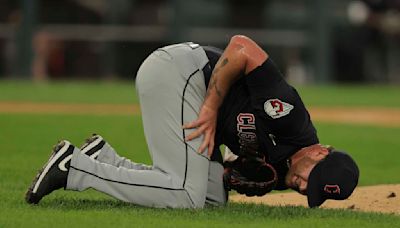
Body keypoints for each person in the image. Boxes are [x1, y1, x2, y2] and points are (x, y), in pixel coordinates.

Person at [25, 35, 359, 208]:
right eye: (309, 179)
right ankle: (76, 169)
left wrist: (229, 175)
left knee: (211, 197)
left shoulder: (288, 173)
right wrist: (212, 106)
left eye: (310, 191)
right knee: (186, 197)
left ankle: (104, 158)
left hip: (188, 87)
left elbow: (236, 163)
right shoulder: (291, 119)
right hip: (181, 71)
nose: (302, 187)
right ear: (319, 152)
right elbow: (242, 46)